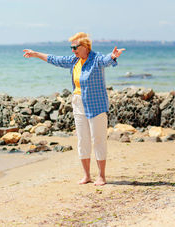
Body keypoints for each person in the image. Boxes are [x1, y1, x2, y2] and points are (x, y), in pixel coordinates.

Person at [23, 32, 125, 186]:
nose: (72, 50)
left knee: (98, 140)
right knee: (82, 140)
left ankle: (101, 176)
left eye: (75, 47)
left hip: (96, 105)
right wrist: (36, 54)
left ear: (85, 46)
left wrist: (113, 56)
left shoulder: (96, 59)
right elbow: (55, 59)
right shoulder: (74, 60)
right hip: (78, 103)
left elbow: (106, 61)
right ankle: (86, 176)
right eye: (71, 47)